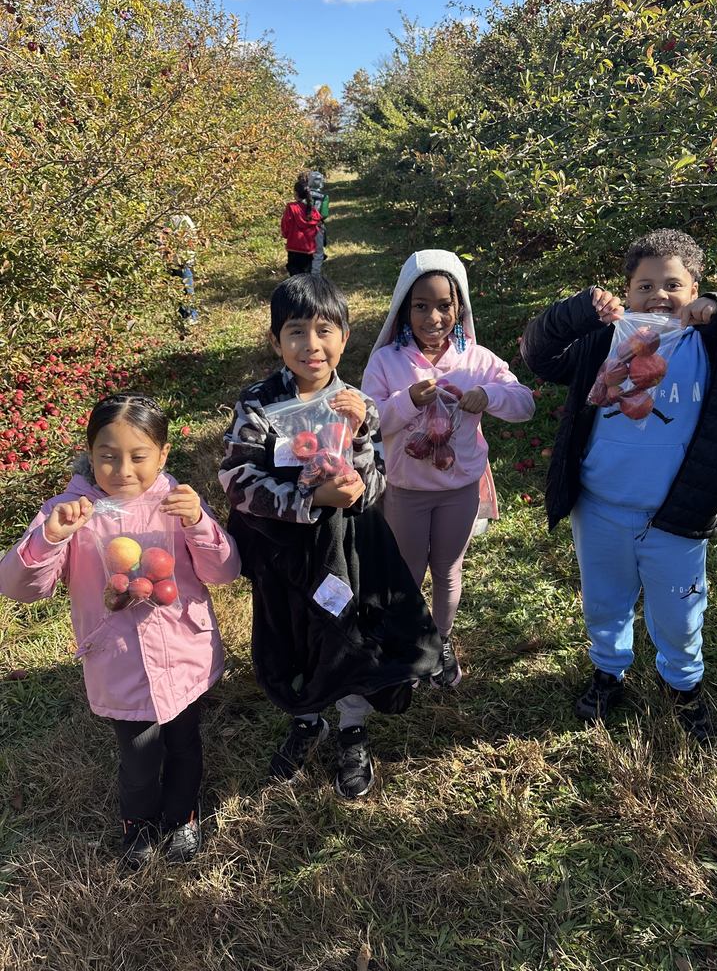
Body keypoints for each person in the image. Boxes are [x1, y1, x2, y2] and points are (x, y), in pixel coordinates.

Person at [520, 228, 717, 740]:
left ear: (696, 288)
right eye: (645, 286)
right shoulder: (603, 341)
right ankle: (608, 672)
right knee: (604, 601)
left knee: (680, 610)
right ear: (626, 291)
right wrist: (578, 310)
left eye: (674, 285)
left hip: (676, 515)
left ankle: (683, 684)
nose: (659, 296)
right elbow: (539, 355)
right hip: (602, 507)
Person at [219, 273, 442, 800]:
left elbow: (379, 477)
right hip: (281, 552)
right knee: (291, 632)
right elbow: (236, 477)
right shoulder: (258, 404)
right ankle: (306, 717)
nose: (311, 345)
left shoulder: (357, 404)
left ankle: (351, 727)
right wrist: (308, 500)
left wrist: (358, 458)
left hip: (344, 550)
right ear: (276, 341)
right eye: (296, 332)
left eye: (324, 330)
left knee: (346, 632)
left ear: (344, 337)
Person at [0, 393, 240, 867]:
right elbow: (19, 587)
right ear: (90, 455)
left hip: (182, 652)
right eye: (108, 457)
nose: (123, 470)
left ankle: (182, 816)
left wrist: (197, 524)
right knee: (138, 757)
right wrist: (51, 537)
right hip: (119, 659)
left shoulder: (177, 503)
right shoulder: (70, 512)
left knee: (185, 745)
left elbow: (224, 572)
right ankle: (138, 823)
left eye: (138, 456)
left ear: (164, 454)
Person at [361, 250, 536, 687]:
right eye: (421, 306)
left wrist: (489, 396)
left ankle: (439, 641)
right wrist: (407, 401)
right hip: (406, 489)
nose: (433, 317)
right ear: (405, 308)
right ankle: (410, 641)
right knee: (407, 571)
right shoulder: (387, 362)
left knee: (448, 568)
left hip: (459, 489)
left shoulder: (477, 360)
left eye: (444, 305)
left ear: (459, 308)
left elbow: (525, 404)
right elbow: (367, 422)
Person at [280, 175, 322, 276]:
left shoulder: (291, 207)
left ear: (295, 193)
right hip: (309, 248)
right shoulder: (312, 209)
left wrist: (286, 235)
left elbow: (286, 225)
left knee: (294, 274)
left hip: (294, 247)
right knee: (306, 274)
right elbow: (318, 222)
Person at [163, 213, 199, 326]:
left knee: (187, 288)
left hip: (183, 260)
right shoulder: (167, 218)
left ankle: (192, 315)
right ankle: (183, 315)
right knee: (176, 289)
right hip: (172, 261)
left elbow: (191, 239)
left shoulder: (184, 219)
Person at [308, 171, 330, 275]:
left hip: (303, 226)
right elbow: (324, 214)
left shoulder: (304, 194)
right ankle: (315, 275)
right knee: (318, 252)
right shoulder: (324, 197)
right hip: (317, 226)